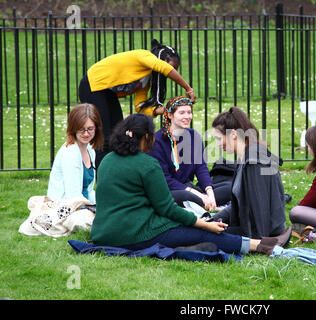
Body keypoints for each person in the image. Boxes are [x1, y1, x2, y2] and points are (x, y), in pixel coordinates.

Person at [90, 113, 291, 255]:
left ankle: (195, 245)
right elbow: (167, 209)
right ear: (148, 138)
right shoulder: (147, 165)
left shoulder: (107, 160)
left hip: (102, 233)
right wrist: (204, 224)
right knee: (196, 232)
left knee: (189, 225)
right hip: (134, 234)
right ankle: (261, 246)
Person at [78, 39, 196, 169]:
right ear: (163, 57)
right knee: (104, 137)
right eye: (173, 67)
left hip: (107, 92)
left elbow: (140, 106)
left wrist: (167, 110)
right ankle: (103, 179)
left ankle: (115, 173)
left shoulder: (146, 78)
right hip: (92, 85)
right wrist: (188, 88)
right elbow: (164, 67)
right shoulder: (145, 56)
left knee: (117, 136)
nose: (171, 73)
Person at [210, 107, 289, 239]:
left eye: (219, 139)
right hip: (251, 227)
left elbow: (261, 210)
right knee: (201, 230)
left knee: (203, 235)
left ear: (233, 134)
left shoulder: (254, 162)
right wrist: (210, 220)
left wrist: (256, 244)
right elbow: (241, 204)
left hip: (263, 233)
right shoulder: (247, 155)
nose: (218, 144)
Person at [147, 96, 231, 211]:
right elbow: (165, 179)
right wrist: (197, 194)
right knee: (187, 196)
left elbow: (201, 167)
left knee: (229, 188)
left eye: (189, 112)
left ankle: (208, 203)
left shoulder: (193, 135)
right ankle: (212, 206)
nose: (187, 116)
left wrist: (209, 192)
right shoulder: (157, 141)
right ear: (170, 115)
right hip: (170, 191)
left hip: (190, 188)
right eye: (182, 113)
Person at [47, 103, 103, 204]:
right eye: (81, 129)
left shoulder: (90, 149)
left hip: (83, 204)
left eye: (90, 129)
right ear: (73, 128)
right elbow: (73, 197)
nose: (86, 134)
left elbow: (89, 191)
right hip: (66, 208)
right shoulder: (71, 153)